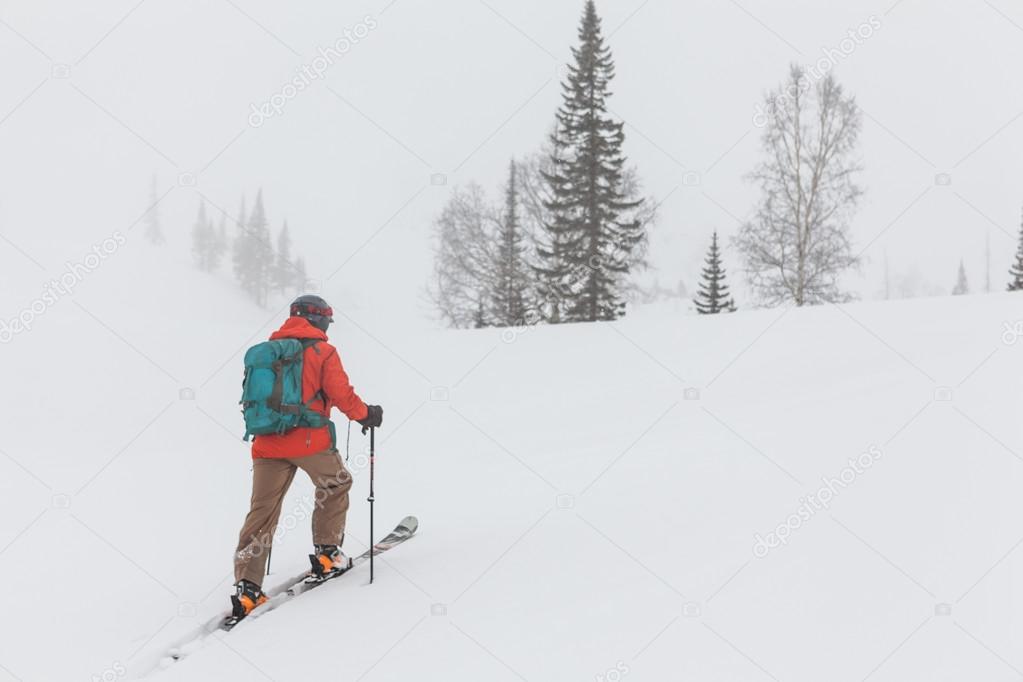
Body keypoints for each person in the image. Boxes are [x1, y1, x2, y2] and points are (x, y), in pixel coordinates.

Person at [231, 294, 383, 618]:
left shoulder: (266, 353)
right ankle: (327, 554)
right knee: (336, 484)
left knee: (262, 511)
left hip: (266, 443)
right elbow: (342, 394)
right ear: (319, 320)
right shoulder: (323, 351)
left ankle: (247, 588)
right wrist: (366, 414)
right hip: (309, 440)